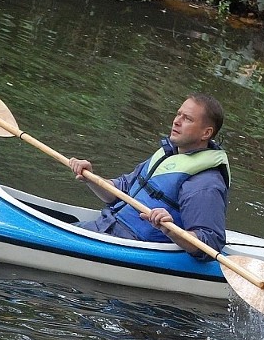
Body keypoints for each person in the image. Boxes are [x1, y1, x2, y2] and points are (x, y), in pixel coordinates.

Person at [69, 93, 230, 261]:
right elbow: (120, 192)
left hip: (132, 248)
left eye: (188, 119)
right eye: (178, 114)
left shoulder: (205, 183)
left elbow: (210, 243)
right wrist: (91, 178)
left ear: (206, 133)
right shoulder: (168, 155)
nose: (176, 121)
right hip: (105, 227)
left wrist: (171, 229)